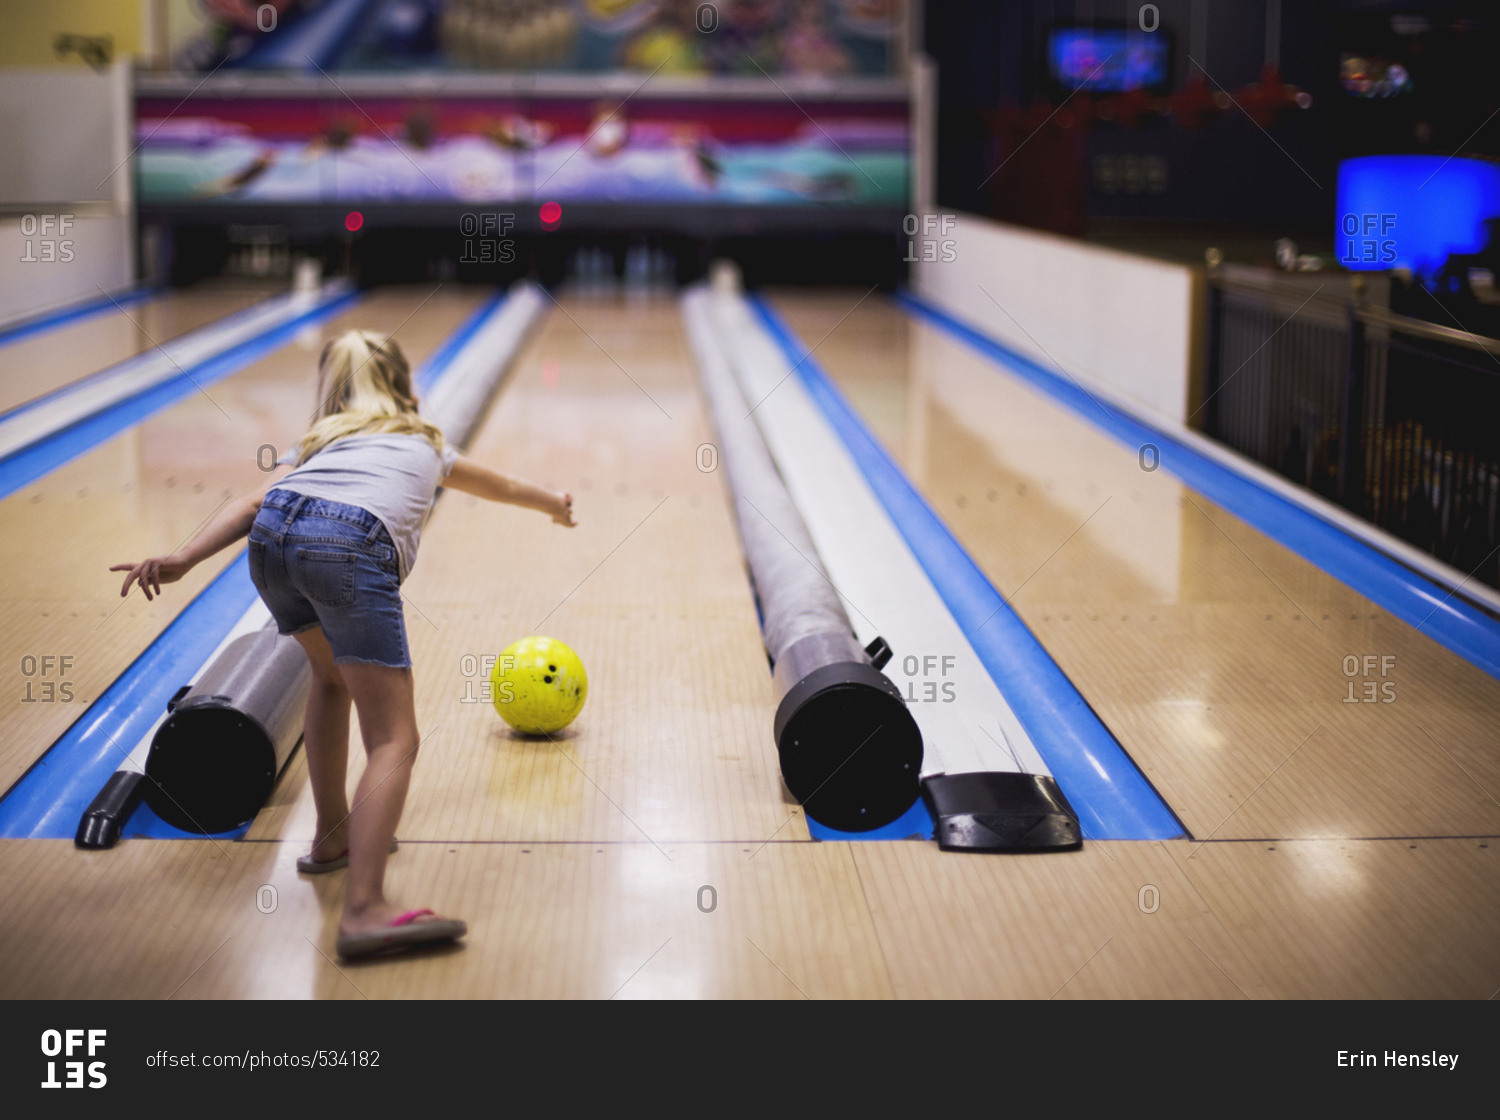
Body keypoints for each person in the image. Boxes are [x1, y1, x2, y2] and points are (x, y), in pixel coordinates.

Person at [111, 329, 576, 959]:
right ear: (407, 390)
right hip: (349, 546)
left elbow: (255, 501)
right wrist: (554, 504)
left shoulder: (322, 442)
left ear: (332, 394)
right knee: (395, 737)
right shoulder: (423, 438)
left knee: (329, 682)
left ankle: (331, 837)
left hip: (273, 540)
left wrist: (183, 559)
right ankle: (365, 910)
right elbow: (502, 486)